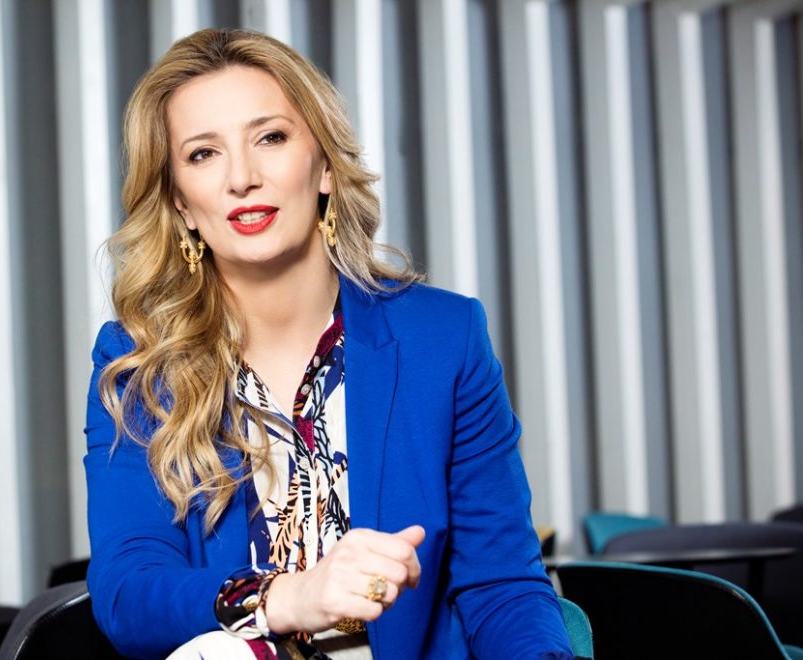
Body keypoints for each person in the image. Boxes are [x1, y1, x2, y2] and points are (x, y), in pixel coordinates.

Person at [84, 27, 573, 660]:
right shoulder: (138, 362)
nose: (242, 178)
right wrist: (286, 597)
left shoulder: (443, 339)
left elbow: (501, 586)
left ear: (323, 166)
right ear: (180, 202)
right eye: (203, 153)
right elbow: (129, 592)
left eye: (271, 138)